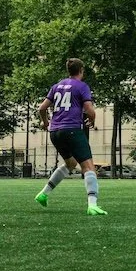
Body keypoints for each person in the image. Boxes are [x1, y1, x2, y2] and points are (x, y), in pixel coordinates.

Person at [34, 58, 106, 215]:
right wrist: (92, 120)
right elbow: (89, 109)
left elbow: (42, 108)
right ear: (81, 70)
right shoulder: (82, 86)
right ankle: (92, 205)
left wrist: (46, 122)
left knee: (71, 163)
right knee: (88, 167)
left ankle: (43, 194)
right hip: (72, 129)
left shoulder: (57, 86)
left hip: (55, 132)